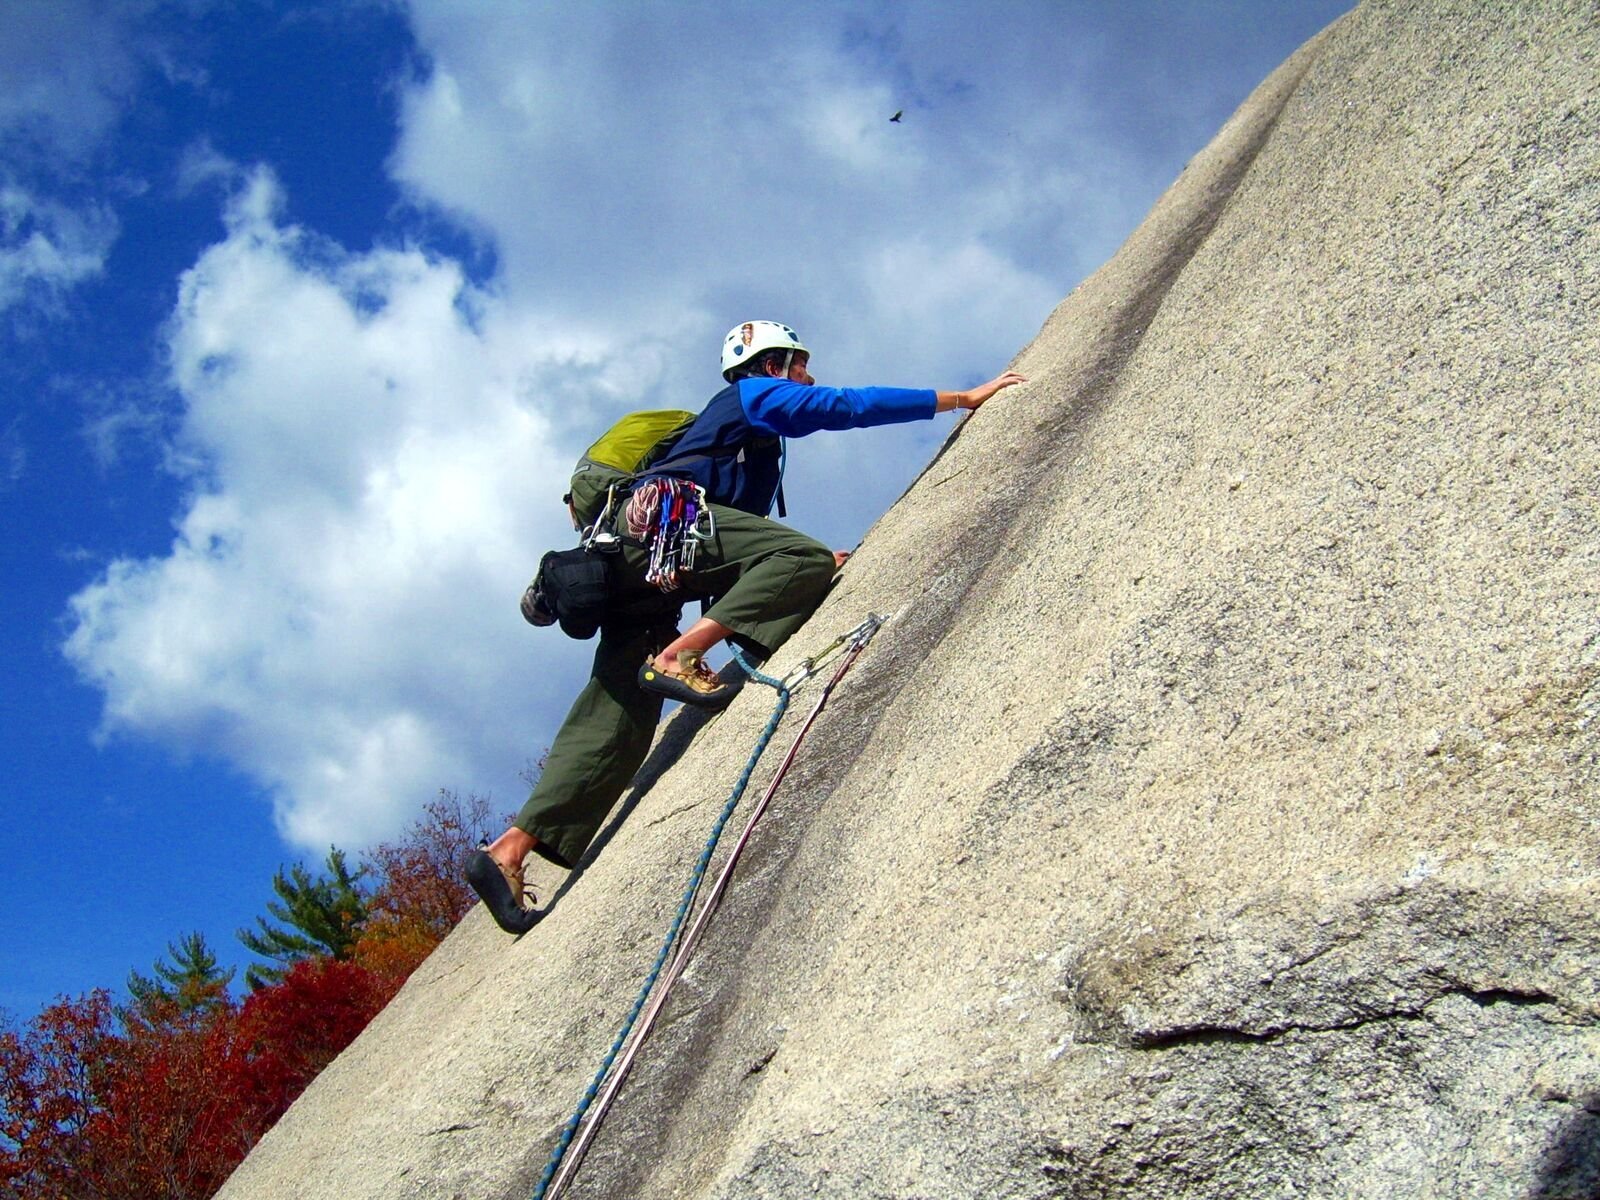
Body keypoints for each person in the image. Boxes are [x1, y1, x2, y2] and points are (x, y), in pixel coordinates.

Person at [467, 321, 1026, 933]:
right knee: (801, 558)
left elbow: (734, 549)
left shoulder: (734, 442)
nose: (808, 377)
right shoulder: (751, 395)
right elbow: (842, 405)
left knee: (617, 715)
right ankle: (681, 657)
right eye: (800, 365)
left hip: (640, 561)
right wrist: (958, 400)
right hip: (665, 525)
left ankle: (510, 851)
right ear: (773, 364)